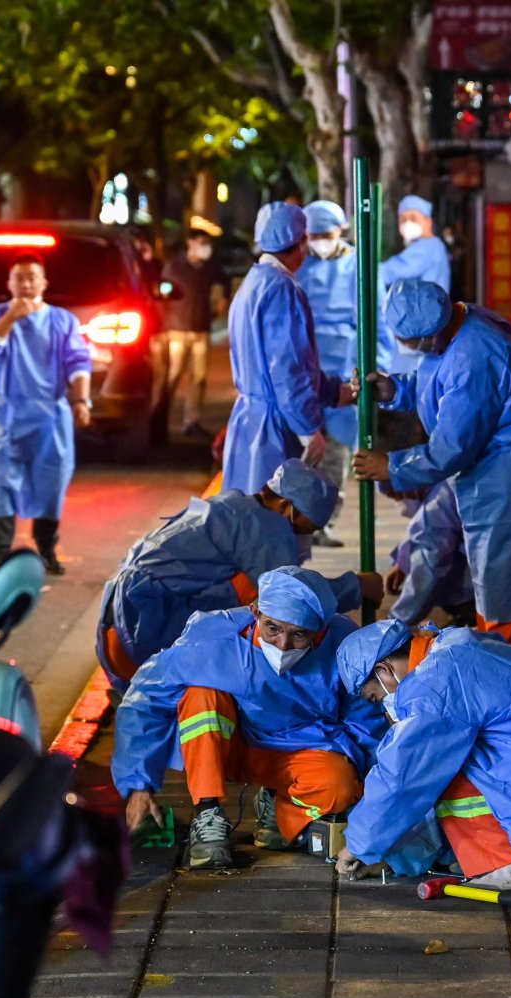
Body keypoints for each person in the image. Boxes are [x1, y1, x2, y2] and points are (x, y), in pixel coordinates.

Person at [352, 280, 511, 652]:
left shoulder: (476, 354)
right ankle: (499, 671)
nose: (412, 350)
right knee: (500, 592)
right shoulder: (458, 323)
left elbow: (453, 445)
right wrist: (396, 391)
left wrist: (393, 466)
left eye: (412, 342)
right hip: (496, 468)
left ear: (430, 332)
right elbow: (438, 383)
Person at [113, 567, 386, 869]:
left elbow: (366, 724)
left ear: (321, 629)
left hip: (301, 754)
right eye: (272, 628)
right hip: (227, 746)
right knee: (201, 694)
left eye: (299, 634)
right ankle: (207, 812)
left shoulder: (344, 647)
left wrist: (374, 799)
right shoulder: (213, 641)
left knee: (341, 788)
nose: (282, 644)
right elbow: (144, 700)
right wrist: (139, 786)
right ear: (255, 612)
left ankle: (280, 813)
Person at [333, 622, 511, 892]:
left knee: (438, 765)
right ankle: (494, 853)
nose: (384, 705)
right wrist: (398, 856)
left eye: (375, 697)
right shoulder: (454, 645)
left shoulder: (433, 684)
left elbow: (403, 778)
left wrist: (358, 844)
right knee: (441, 756)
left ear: (384, 670)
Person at [96, 459, 386, 693]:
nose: (305, 537)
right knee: (257, 593)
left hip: (116, 632)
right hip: (144, 634)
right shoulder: (268, 527)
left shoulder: (232, 505)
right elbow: (292, 597)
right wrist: (356, 586)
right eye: (305, 528)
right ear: (287, 506)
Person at [220, 201, 355, 499]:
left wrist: (337, 392)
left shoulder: (252, 284)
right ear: (302, 242)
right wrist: (308, 429)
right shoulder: (283, 290)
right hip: (277, 428)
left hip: (250, 423)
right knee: (280, 531)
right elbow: (288, 370)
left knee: (252, 524)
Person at [0, 252, 93, 574]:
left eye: (32, 277)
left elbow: (78, 361)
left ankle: (47, 550)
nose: (25, 284)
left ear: (44, 282)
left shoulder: (61, 321)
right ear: (9, 283)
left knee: (50, 483)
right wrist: (11, 317)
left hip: (49, 417)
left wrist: (81, 401)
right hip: (3, 415)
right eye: (19, 278)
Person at [295, 200, 359, 547]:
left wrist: (369, 371)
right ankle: (300, 521)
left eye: (326, 233)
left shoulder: (357, 266)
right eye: (314, 234)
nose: (320, 240)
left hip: (343, 374)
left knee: (336, 456)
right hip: (305, 374)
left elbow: (374, 324)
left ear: (341, 231)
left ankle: (327, 524)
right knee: (302, 455)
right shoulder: (298, 265)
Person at [157, 229, 229, 438]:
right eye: (202, 242)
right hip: (177, 330)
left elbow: (224, 279)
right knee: (173, 376)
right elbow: (162, 294)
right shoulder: (174, 267)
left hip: (200, 329)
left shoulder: (209, 268)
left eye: (208, 243)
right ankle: (161, 419)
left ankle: (191, 421)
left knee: (198, 378)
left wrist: (222, 298)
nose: (206, 247)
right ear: (190, 244)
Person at [377, 195, 453, 375]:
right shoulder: (432, 247)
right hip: (423, 328)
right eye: (403, 219)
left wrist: (352, 261)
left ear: (428, 221)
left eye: (413, 218)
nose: (406, 223)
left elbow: (387, 272)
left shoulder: (428, 247)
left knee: (407, 384)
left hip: (418, 328)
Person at [387, 479, 475, 628]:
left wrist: (395, 623)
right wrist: (403, 562)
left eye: (395, 494)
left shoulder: (441, 497)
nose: (397, 501)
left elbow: (430, 561)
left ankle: (469, 611)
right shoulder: (441, 487)